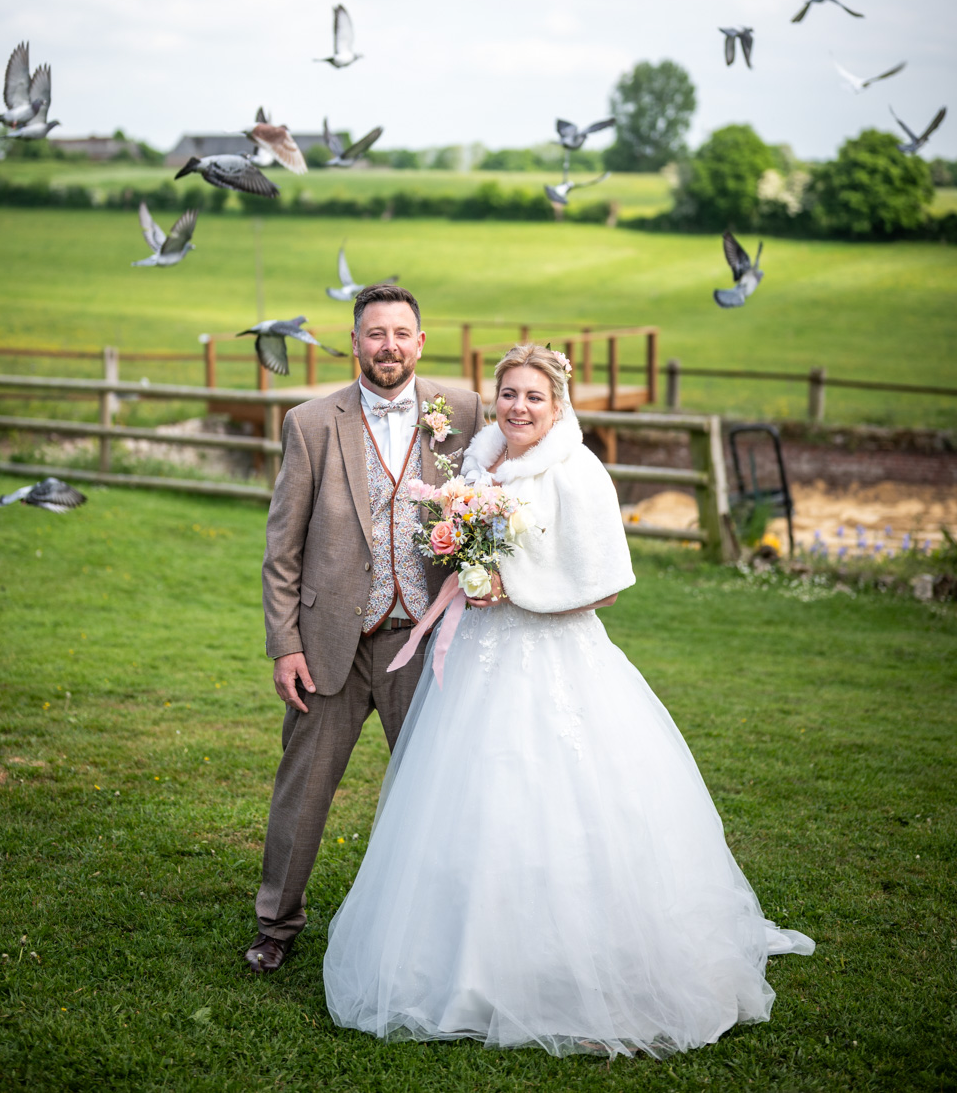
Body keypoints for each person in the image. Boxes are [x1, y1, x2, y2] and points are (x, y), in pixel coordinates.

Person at [323, 343, 814, 1058]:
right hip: (479, 661)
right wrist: (472, 568)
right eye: (508, 394)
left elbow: (605, 585)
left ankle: (576, 963)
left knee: (564, 800)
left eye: (534, 397)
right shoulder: (477, 467)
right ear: (493, 400)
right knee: (472, 801)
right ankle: (468, 960)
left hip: (554, 659)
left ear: (557, 406)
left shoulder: (578, 471)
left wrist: (512, 587)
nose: (518, 408)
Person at [245, 284, 485, 972]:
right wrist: (285, 645)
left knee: (437, 789)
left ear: (421, 342)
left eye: (401, 333)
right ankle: (276, 924)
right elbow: (282, 549)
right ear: (354, 343)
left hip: (425, 641)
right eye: (375, 334)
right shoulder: (311, 423)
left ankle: (442, 926)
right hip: (331, 646)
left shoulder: (463, 411)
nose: (389, 346)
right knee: (303, 790)